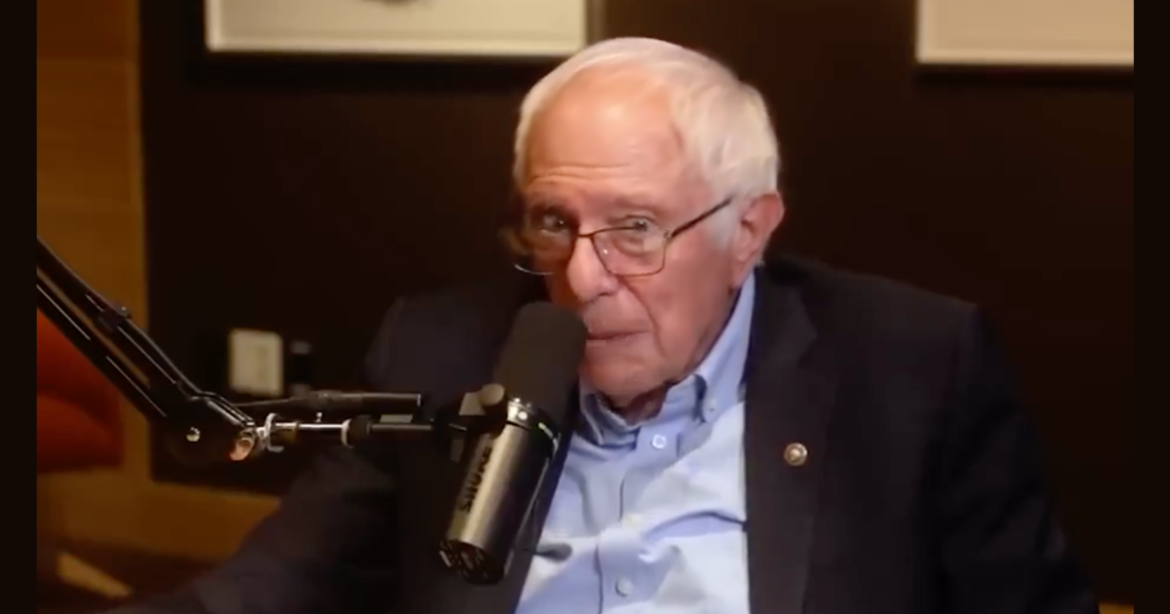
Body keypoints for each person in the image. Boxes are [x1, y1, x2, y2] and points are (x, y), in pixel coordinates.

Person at [111, 37, 1099, 614]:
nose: (583, 277)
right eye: (553, 222)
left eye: (636, 228)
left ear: (749, 230)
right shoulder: (443, 349)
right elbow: (266, 590)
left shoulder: (911, 366)